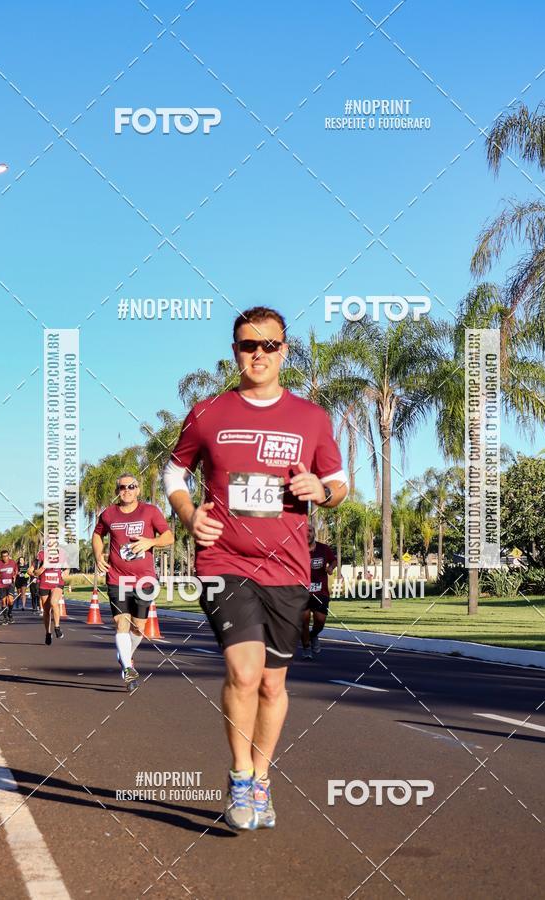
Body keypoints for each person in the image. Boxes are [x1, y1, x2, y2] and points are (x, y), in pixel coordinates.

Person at [164, 306, 347, 831]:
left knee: (272, 684)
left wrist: (322, 491)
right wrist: (188, 512)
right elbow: (174, 472)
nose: (259, 354)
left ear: (284, 351)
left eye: (269, 345)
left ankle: (263, 778)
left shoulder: (312, 418)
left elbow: (338, 483)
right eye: (249, 345)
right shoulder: (208, 413)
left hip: (287, 567)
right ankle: (240, 777)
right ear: (235, 350)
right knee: (243, 673)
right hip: (224, 560)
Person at [92, 474, 174, 693]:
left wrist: (151, 541)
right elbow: (97, 535)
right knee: (121, 623)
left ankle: (125, 654)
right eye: (122, 487)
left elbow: (168, 537)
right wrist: (98, 555)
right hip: (117, 577)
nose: (126, 490)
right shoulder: (108, 514)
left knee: (139, 628)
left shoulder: (150, 511)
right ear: (117, 490)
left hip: (144, 580)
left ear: (138, 490)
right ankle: (128, 668)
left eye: (131, 486)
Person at [301, 524, 337, 659]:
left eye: (309, 531)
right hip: (301, 592)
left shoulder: (323, 548)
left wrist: (331, 568)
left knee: (320, 621)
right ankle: (306, 649)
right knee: (303, 621)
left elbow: (334, 560)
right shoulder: (296, 549)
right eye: (304, 531)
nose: (307, 534)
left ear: (314, 533)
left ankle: (313, 635)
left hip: (320, 592)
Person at [29, 548, 69, 644]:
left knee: (54, 602)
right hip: (44, 584)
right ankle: (48, 633)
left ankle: (57, 627)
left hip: (57, 583)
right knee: (46, 611)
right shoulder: (41, 554)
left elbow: (67, 567)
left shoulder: (62, 553)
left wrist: (66, 571)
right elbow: (31, 571)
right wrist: (42, 568)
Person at [0, 549, 18, 624]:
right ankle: (5, 618)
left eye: (6, 556)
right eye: (3, 556)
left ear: (8, 556)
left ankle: (10, 613)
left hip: (10, 584)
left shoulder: (13, 562)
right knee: (3, 601)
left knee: (10, 600)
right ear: (1, 557)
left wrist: (14, 576)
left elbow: (16, 570)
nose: (5, 558)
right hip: (1, 584)